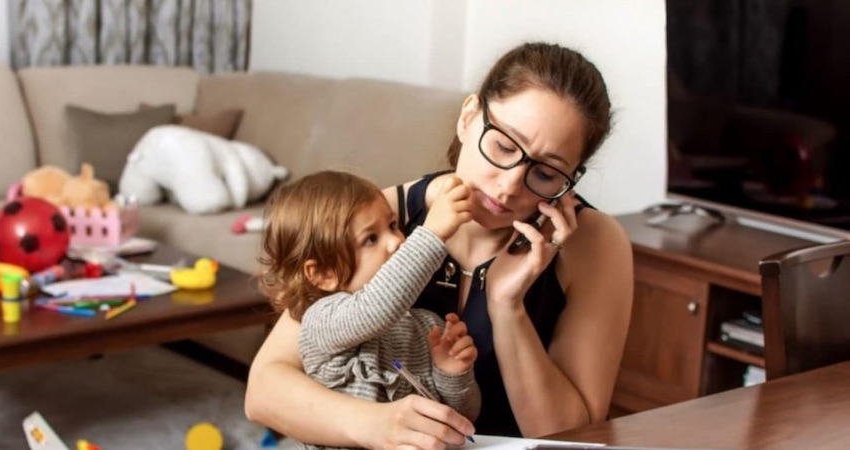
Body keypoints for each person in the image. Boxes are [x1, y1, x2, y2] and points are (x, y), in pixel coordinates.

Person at [246, 41, 634, 448]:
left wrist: (507, 307)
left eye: (547, 173)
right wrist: (377, 425)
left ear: (573, 176)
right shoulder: (382, 219)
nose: (508, 186)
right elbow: (264, 390)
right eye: (503, 146)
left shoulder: (595, 245)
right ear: (468, 117)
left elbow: (572, 434)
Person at [257, 170, 481, 449]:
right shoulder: (321, 320)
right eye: (371, 239)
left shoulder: (425, 326)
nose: (397, 241)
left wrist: (452, 373)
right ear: (324, 273)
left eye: (393, 225)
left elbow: (464, 418)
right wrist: (432, 234)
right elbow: (374, 309)